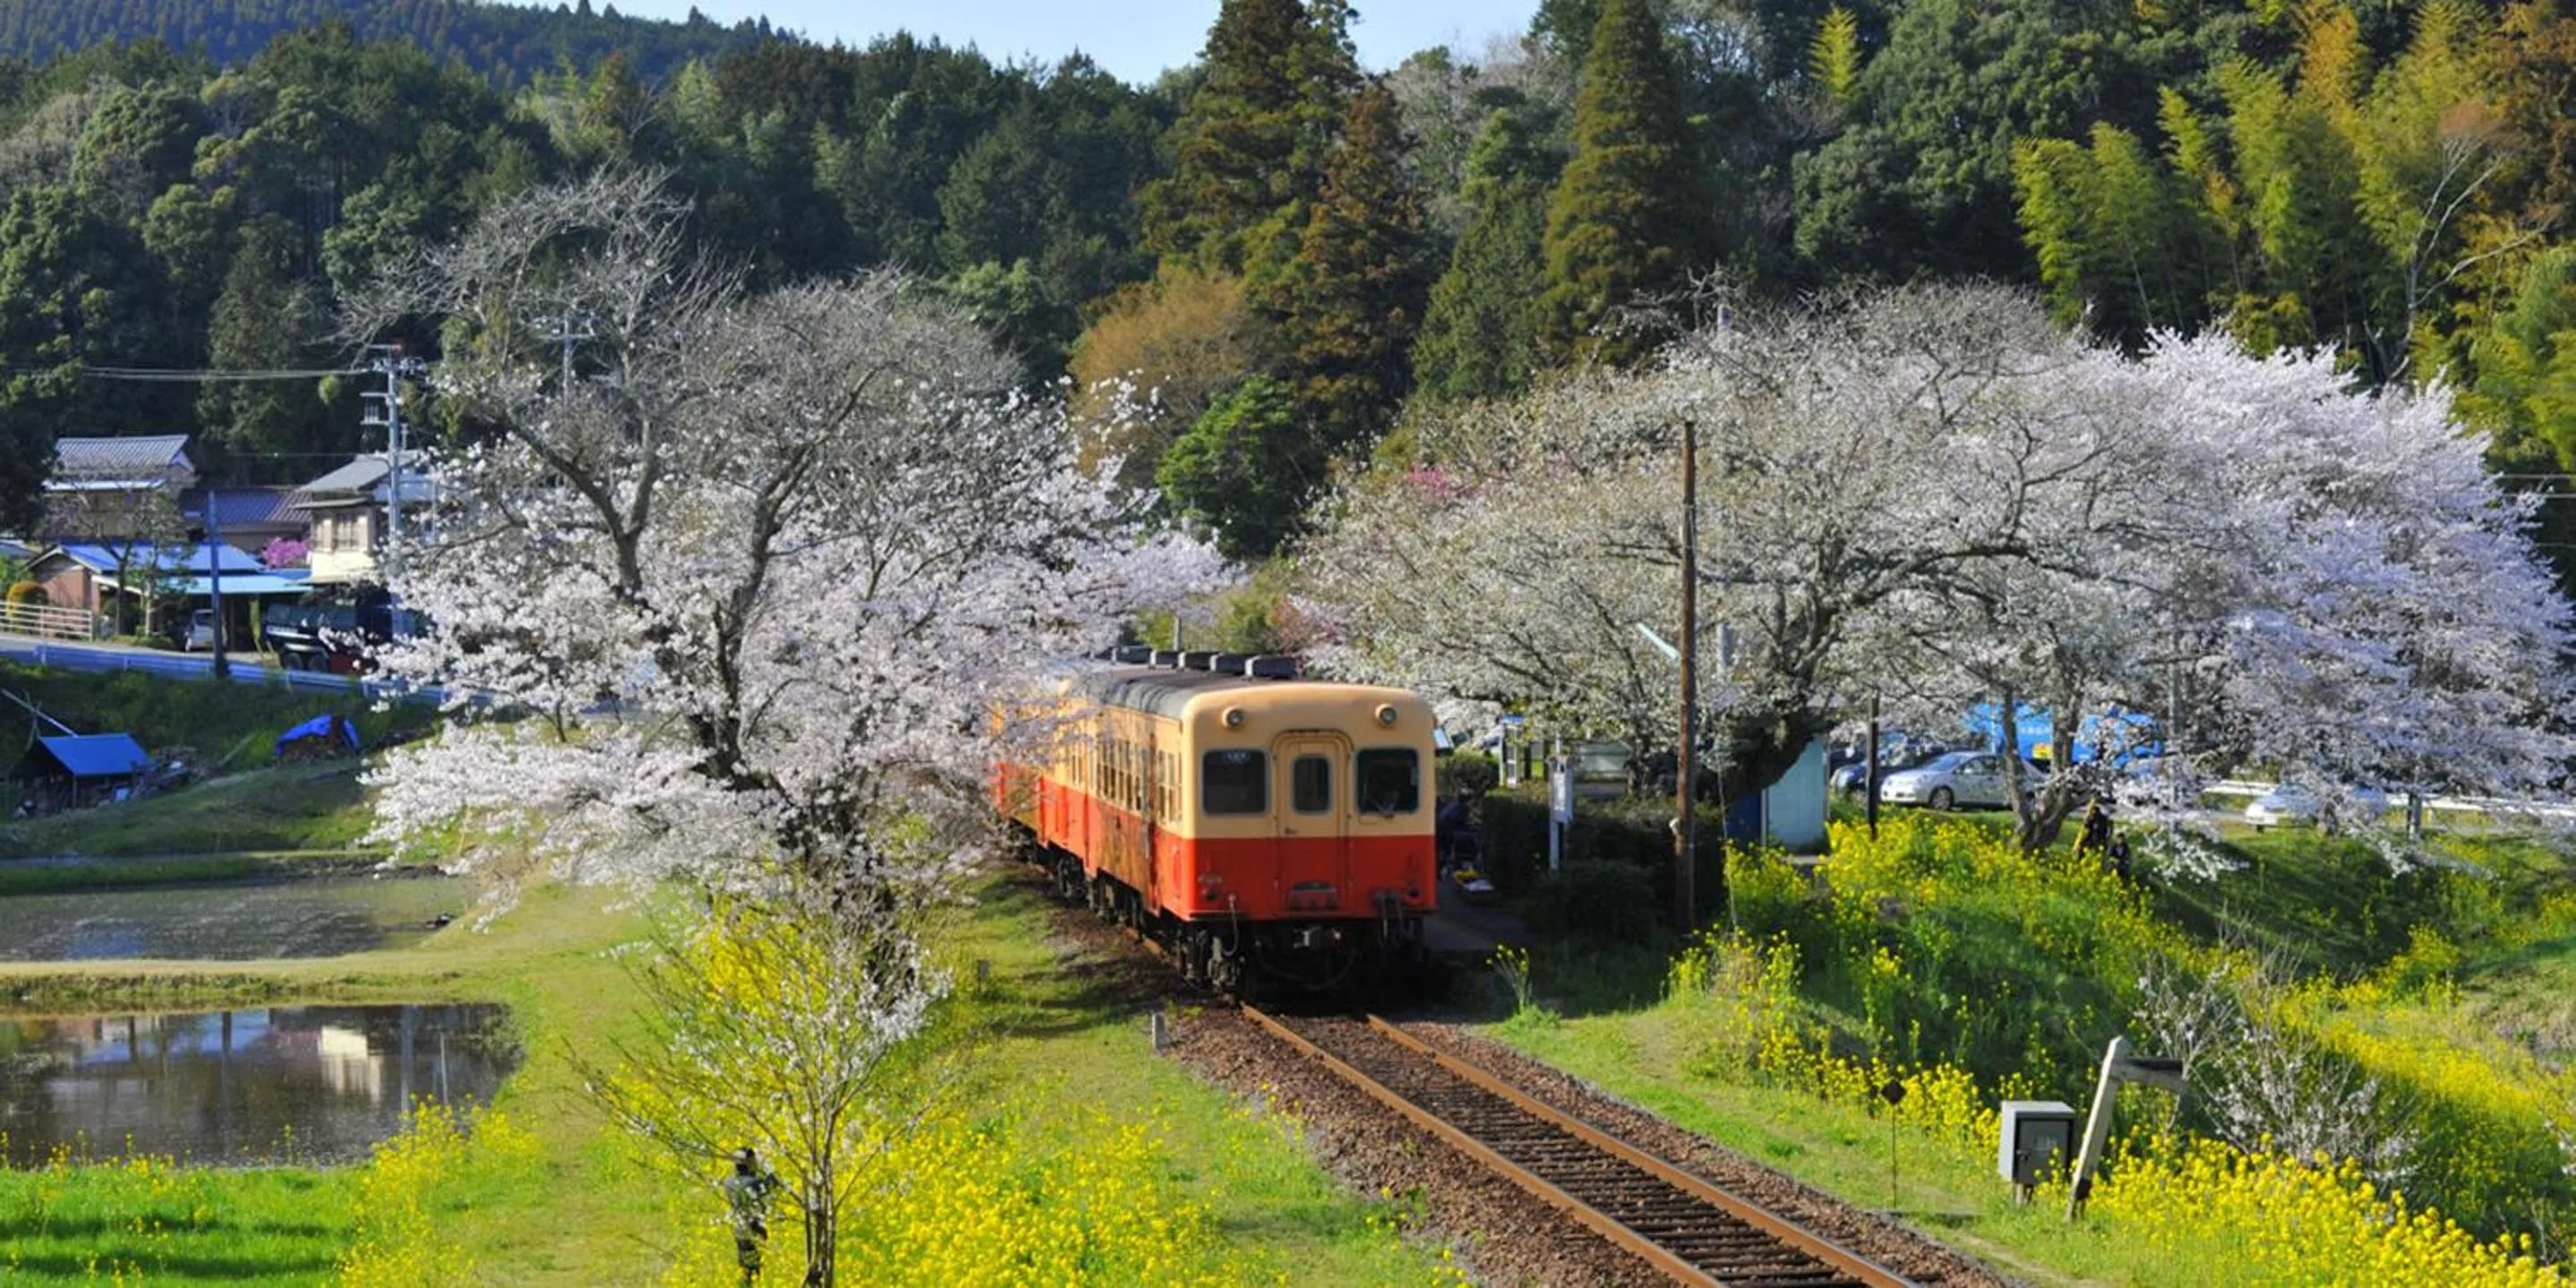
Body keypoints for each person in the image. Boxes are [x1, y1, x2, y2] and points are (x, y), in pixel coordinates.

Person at [722, 1146, 782, 1285]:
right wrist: (767, 1168)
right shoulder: (754, 1183)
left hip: (738, 1226)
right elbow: (774, 1183)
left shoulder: (728, 1182)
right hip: (754, 1226)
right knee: (755, 1266)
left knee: (745, 1264)